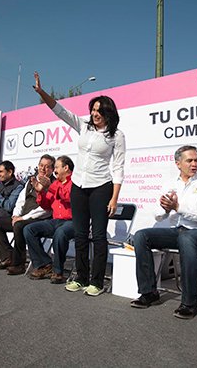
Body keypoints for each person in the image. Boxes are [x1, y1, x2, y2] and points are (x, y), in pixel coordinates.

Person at [33, 71, 125, 297]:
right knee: (81, 235)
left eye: (99, 111)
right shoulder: (84, 126)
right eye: (93, 110)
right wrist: (42, 92)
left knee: (99, 236)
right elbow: (60, 110)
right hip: (79, 188)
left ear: (108, 113)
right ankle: (82, 278)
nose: (95, 114)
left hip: (101, 188)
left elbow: (119, 167)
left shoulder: (116, 135)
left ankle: (97, 281)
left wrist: (114, 197)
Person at [130, 145, 197, 318]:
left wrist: (178, 207)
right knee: (141, 236)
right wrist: (166, 209)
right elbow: (158, 215)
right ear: (178, 163)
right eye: (189, 160)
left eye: (196, 160)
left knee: (186, 239)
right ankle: (149, 292)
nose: (194, 164)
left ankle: (189, 302)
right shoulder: (170, 184)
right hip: (176, 230)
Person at [0, 154, 56, 273]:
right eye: (41, 165)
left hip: (39, 218)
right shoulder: (31, 180)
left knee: (19, 226)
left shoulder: (53, 184)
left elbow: (45, 210)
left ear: (52, 169)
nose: (43, 169)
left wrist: (23, 218)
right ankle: (7, 257)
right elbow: (21, 200)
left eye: (47, 167)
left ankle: (19, 264)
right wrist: (15, 215)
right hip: (22, 216)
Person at [24, 155, 75, 283]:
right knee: (29, 229)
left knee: (60, 233)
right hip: (56, 220)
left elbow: (68, 197)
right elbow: (46, 205)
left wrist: (49, 186)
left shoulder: (75, 181)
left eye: (56, 167)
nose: (55, 170)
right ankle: (44, 264)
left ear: (66, 168)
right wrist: (40, 192)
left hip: (73, 222)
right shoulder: (56, 183)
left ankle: (58, 272)